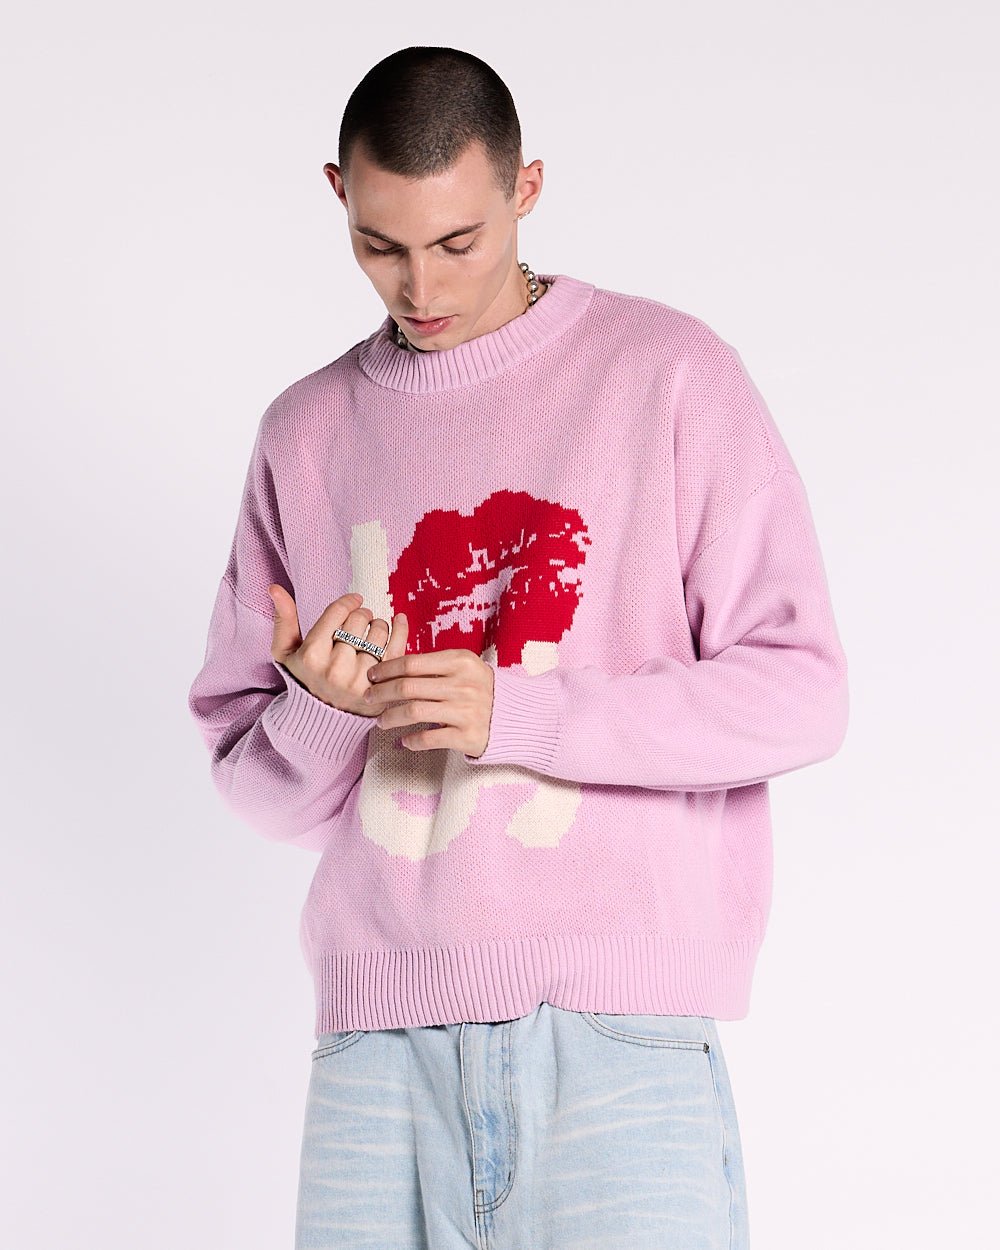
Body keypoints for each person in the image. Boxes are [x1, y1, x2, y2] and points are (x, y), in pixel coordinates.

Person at [187, 44, 849, 1250]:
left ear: (526, 187)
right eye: (380, 245)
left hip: (616, 1038)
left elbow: (800, 690)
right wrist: (321, 710)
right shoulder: (305, 432)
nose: (420, 285)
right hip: (376, 1050)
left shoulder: (666, 374)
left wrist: (522, 714)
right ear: (337, 193)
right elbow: (255, 789)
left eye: (458, 241)